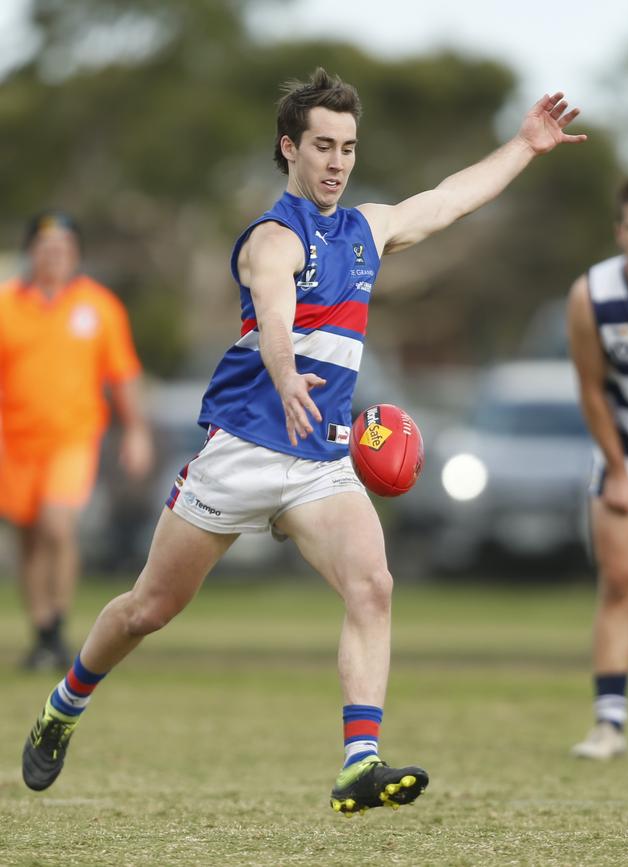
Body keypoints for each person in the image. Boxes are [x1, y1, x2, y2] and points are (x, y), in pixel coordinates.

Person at [22, 69, 585, 814]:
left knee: (373, 585)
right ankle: (65, 704)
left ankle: (359, 760)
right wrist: (285, 372)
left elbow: (447, 201)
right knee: (148, 609)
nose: (337, 162)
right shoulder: (272, 238)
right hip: (245, 451)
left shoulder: (367, 229)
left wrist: (522, 145)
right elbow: (275, 312)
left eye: (348, 147)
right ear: (289, 148)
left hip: (320, 459)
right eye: (323, 145)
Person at [0, 211, 154, 671]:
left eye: (65, 248)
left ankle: (58, 625)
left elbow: (124, 375)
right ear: (31, 253)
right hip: (14, 441)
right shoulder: (8, 305)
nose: (55, 257)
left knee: (57, 526)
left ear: (76, 255)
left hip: (72, 437)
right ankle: (43, 632)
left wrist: (137, 430)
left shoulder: (99, 307)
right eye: (46, 248)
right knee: (27, 537)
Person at [568, 178, 628, 760]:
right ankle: (609, 725)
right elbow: (592, 390)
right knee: (621, 582)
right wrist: (619, 472)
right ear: (620, 232)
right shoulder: (591, 294)